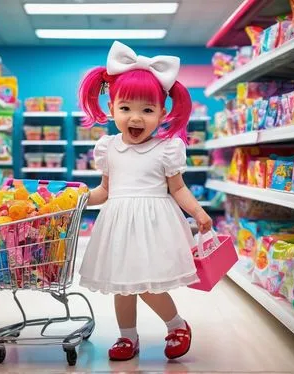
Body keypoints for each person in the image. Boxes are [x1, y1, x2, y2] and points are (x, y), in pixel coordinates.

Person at [77, 41, 213, 361]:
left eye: (147, 110)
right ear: (112, 109)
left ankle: (176, 324)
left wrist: (198, 211)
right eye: (125, 108)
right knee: (122, 286)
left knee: (148, 284)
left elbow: (177, 188)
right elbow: (105, 192)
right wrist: (81, 198)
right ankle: (127, 337)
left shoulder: (166, 148)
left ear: (162, 113)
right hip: (118, 226)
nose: (135, 118)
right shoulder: (107, 148)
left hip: (153, 227)